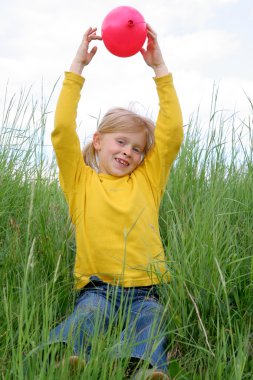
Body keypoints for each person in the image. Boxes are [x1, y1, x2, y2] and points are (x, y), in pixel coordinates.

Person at [50, 25, 183, 379]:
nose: (129, 152)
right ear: (98, 141)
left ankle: (142, 369)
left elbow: (171, 135)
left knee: (151, 322)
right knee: (87, 317)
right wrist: (77, 67)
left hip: (145, 290)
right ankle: (65, 361)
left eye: (138, 148)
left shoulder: (147, 180)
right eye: (121, 142)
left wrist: (160, 68)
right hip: (97, 288)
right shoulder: (80, 182)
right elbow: (62, 131)